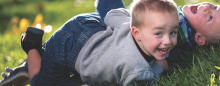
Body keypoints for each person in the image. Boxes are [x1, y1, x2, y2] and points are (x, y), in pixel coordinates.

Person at [2, 0, 179, 85]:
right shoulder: (136, 67)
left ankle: (44, 56)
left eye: (173, 32)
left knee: (112, 11)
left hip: (86, 25)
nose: (168, 41)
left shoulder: (128, 23)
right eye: (158, 33)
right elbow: (149, 80)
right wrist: (160, 66)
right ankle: (33, 47)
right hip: (68, 51)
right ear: (136, 33)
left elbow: (113, 14)